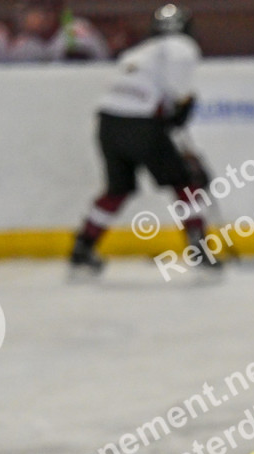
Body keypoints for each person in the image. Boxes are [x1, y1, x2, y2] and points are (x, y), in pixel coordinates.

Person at [68, 4, 207, 274]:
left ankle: (82, 247)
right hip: (142, 122)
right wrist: (182, 109)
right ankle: (199, 248)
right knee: (184, 184)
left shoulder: (137, 52)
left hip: (108, 123)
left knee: (117, 189)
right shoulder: (182, 47)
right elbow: (178, 95)